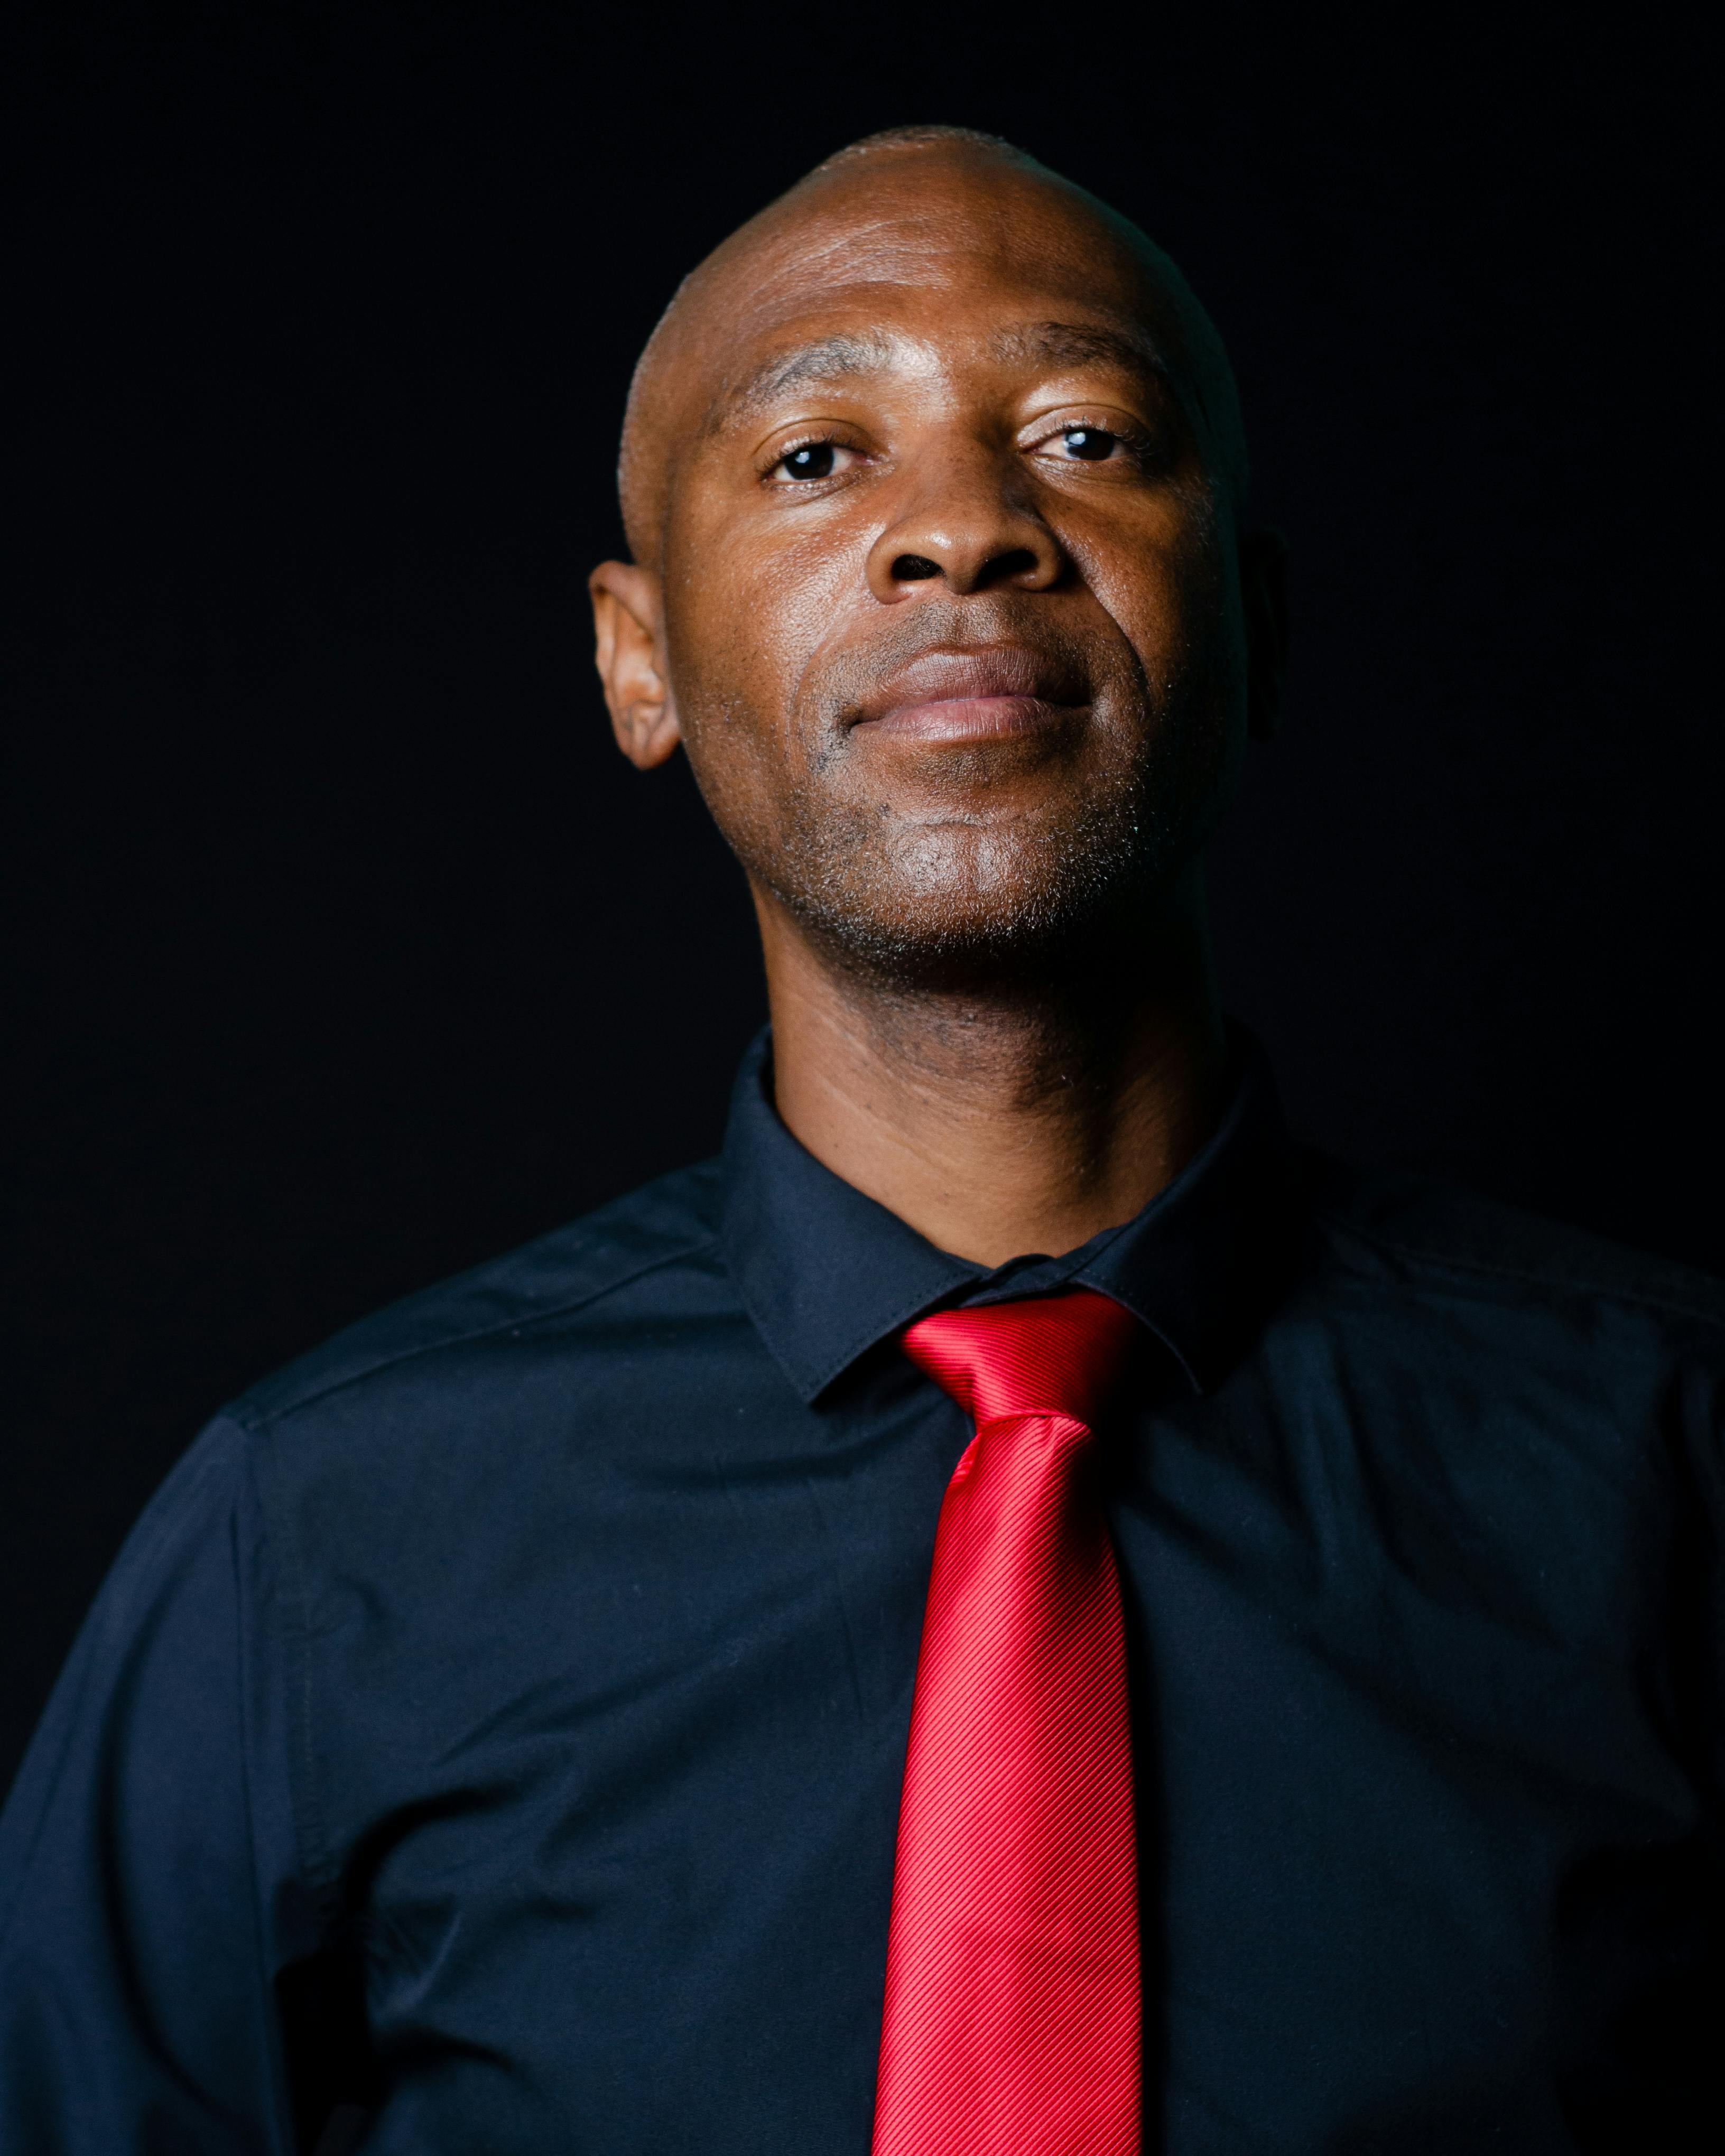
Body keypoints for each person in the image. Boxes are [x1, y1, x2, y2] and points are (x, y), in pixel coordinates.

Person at [1, 124, 1719, 2156]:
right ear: (640, 661)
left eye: (1083, 438)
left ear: (1255, 621)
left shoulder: (1670, 1470)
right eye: (819, 456)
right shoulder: (314, 1534)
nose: (966, 530)